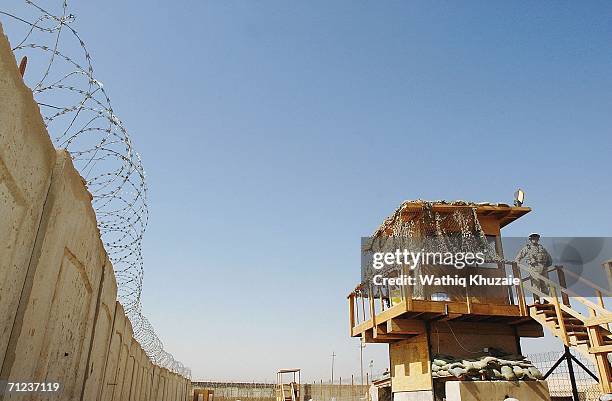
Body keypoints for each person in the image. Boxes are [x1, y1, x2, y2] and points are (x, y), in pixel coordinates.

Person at [514, 233, 552, 303]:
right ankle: (537, 300)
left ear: (538, 239)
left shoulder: (542, 248)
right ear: (530, 240)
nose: (535, 240)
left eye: (536, 238)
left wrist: (546, 266)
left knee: (545, 285)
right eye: (533, 238)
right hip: (534, 268)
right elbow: (519, 257)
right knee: (535, 284)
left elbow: (549, 259)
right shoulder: (527, 248)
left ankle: (546, 300)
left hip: (543, 269)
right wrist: (517, 264)